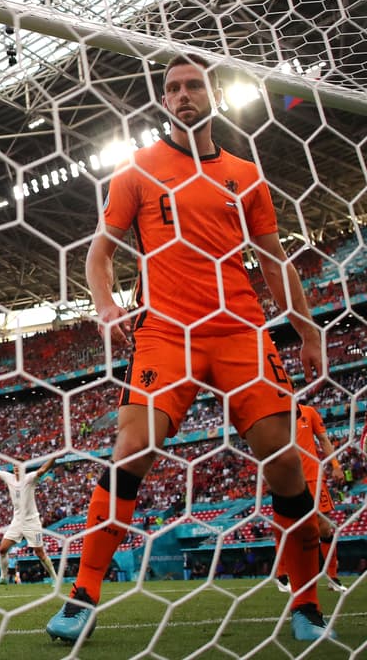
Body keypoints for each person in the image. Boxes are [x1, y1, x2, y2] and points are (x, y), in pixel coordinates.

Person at [46, 55, 330, 643]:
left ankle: (306, 604)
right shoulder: (137, 171)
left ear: (213, 95)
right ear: (164, 100)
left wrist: (305, 329)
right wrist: (106, 308)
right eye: (172, 87)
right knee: (132, 447)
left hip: (241, 331)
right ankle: (82, 597)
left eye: (193, 85)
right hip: (165, 332)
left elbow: (274, 260)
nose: (182, 94)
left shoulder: (245, 175)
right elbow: (99, 254)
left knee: (281, 458)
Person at [275, 402, 345, 594]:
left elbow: (323, 438)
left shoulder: (309, 412)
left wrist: (336, 465)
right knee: (287, 527)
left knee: (325, 527)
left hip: (314, 477)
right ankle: (282, 575)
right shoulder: (275, 413)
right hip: (288, 478)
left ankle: (332, 577)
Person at [0, 450, 58, 585]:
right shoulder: (9, 477)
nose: (16, 468)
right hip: (17, 521)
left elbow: (42, 470)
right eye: (14, 466)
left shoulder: (30, 478)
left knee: (40, 553)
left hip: (32, 521)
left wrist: (54, 457)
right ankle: (3, 578)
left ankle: (55, 578)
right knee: (2, 550)